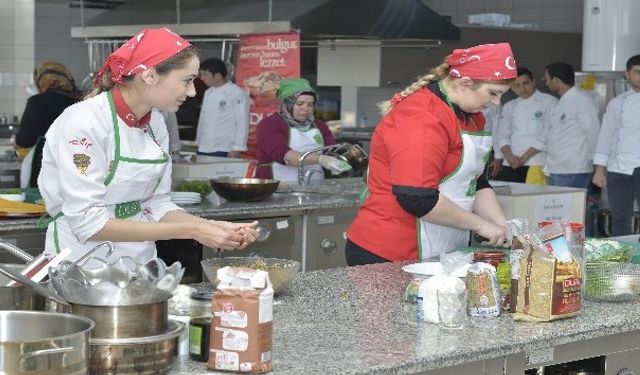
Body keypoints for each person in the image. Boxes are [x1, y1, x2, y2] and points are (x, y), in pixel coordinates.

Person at [37, 28, 258, 263]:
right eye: (187, 80)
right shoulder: (83, 123)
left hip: (139, 262)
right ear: (150, 76)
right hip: (81, 264)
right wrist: (193, 230)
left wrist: (210, 227)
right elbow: (89, 224)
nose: (193, 92)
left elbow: (156, 202)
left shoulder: (156, 123)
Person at [345, 43, 517, 266]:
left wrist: (502, 226)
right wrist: (482, 226)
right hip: (389, 252)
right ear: (465, 83)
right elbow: (417, 198)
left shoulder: (472, 116)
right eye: (493, 93)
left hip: (445, 249)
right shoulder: (421, 116)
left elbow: (476, 181)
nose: (496, 102)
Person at [255, 78, 351, 183]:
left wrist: (343, 159)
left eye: (310, 104)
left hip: (315, 188)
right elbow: (286, 157)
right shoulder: (270, 124)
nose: (305, 109)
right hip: (276, 188)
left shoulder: (319, 125)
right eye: (299, 103)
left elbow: (331, 151)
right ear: (287, 103)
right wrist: (321, 159)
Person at [523, 62, 600, 189]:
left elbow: (593, 132)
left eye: (547, 79)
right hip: (557, 168)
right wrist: (523, 157)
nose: (546, 83)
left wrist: (597, 164)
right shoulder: (562, 102)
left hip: (574, 169)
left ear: (556, 80)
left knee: (571, 208)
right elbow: (547, 135)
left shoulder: (582, 100)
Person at [592, 55, 640, 236]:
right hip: (616, 168)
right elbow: (606, 136)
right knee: (620, 217)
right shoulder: (616, 103)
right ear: (627, 74)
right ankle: (622, 260)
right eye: (637, 72)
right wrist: (599, 169)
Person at [15, 61, 80, 188]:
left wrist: (16, 141)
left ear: (40, 80)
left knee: (40, 204)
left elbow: (24, 140)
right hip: (76, 165)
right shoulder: (79, 101)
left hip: (43, 167)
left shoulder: (37, 102)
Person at [495, 67, 557, 184]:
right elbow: (502, 135)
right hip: (510, 163)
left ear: (533, 81)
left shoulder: (549, 102)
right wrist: (510, 158)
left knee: (534, 200)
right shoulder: (509, 106)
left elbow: (547, 135)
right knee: (510, 201)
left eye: (525, 83)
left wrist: (523, 158)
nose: (522, 89)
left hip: (536, 162)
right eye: (516, 85)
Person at [195, 57, 249, 158]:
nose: (202, 78)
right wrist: (198, 141)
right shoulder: (208, 92)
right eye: (201, 74)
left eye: (205, 74)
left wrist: (238, 147)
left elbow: (242, 122)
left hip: (224, 148)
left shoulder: (237, 93)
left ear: (218, 76)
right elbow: (203, 120)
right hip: (203, 147)